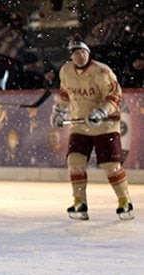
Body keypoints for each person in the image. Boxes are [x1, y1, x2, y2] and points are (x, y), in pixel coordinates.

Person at [49, 35, 134, 220]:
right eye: (75, 53)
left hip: (106, 126)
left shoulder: (102, 71)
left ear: (88, 53)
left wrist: (101, 113)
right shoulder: (66, 71)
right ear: (71, 56)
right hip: (80, 125)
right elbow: (65, 95)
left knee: (111, 166)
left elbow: (115, 97)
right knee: (75, 163)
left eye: (82, 52)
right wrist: (58, 112)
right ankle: (80, 202)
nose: (79, 56)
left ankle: (124, 201)